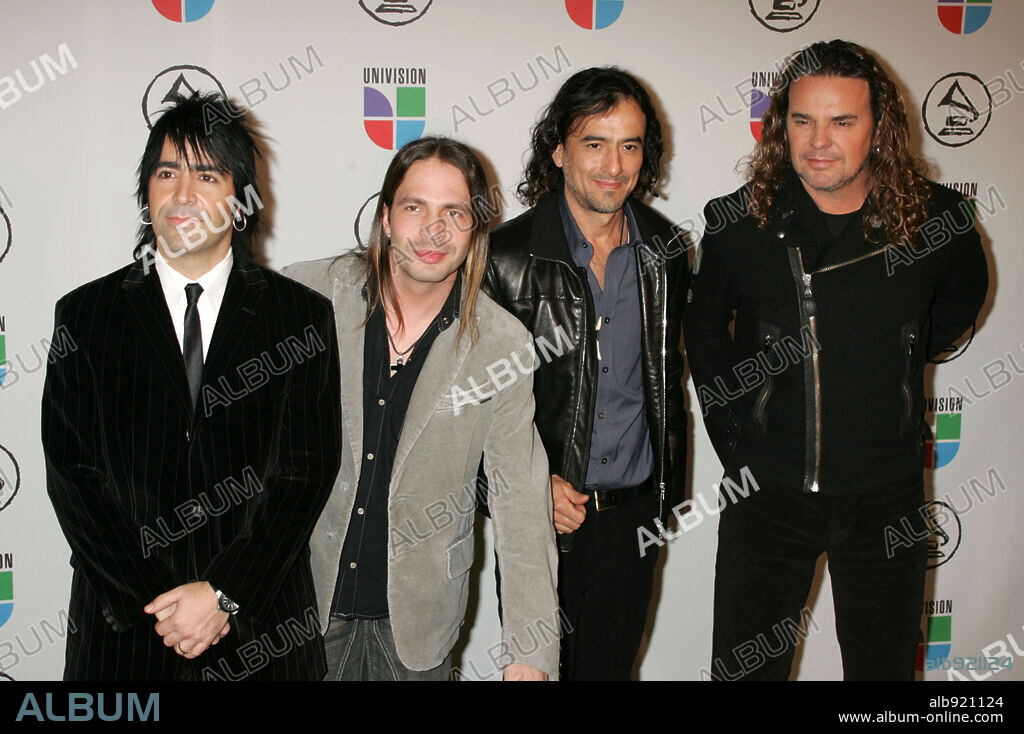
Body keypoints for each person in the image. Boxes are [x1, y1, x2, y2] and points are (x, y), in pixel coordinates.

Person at [685, 39, 988, 680]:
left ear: (879, 129)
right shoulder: (740, 223)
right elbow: (704, 338)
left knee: (882, 685)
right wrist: (740, 440)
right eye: (802, 120)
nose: (819, 141)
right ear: (781, 127)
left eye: (842, 121)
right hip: (768, 497)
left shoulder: (939, 219)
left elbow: (958, 307)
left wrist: (892, 355)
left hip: (888, 498)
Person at [41, 93, 342, 680]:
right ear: (145, 190)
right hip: (125, 635)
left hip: (261, 631)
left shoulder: (300, 316)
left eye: (207, 174)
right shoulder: (86, 315)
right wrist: (159, 606)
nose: (183, 194)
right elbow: (72, 475)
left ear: (241, 198)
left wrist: (224, 595)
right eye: (167, 172)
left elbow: (306, 469)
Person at [283, 136, 558, 681]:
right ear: (386, 218)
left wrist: (530, 653)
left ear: (476, 227)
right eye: (415, 208)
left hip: (419, 627)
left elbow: (521, 504)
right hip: (299, 608)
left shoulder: (503, 344)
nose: (434, 232)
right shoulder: (305, 297)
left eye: (454, 213)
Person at [483, 67, 688, 680]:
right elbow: (471, 403)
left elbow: (666, 379)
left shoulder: (667, 250)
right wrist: (526, 487)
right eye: (594, 143)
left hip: (633, 521)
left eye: (630, 144)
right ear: (559, 151)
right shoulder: (505, 258)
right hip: (541, 518)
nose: (614, 164)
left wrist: (663, 499)